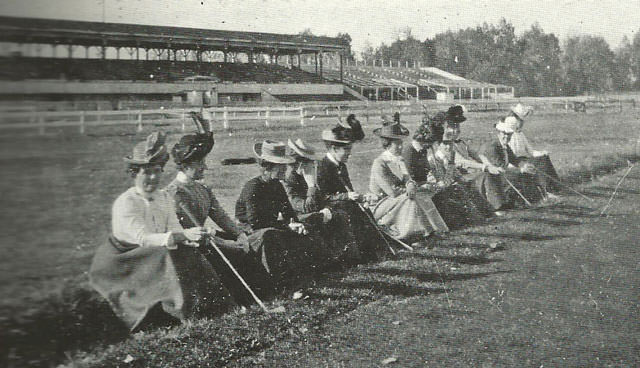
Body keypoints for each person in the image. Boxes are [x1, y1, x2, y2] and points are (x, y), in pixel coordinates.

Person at [89, 132, 235, 331]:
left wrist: (194, 237)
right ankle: (183, 315)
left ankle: (218, 309)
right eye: (146, 172)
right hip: (124, 260)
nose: (153, 177)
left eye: (157, 171)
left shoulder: (164, 197)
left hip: (152, 256)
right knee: (169, 254)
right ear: (134, 174)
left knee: (188, 251)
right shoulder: (126, 202)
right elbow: (144, 239)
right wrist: (184, 235)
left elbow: (174, 228)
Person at [167, 112, 273, 305]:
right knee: (233, 254)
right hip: (193, 246)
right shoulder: (174, 194)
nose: (204, 167)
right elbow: (191, 233)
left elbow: (221, 216)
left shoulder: (203, 188)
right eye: (200, 163)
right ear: (186, 165)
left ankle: (264, 293)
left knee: (246, 246)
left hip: (209, 239)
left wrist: (239, 235)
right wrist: (230, 244)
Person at [235, 140, 318, 284]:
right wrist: (286, 226)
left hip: (271, 226)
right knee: (270, 235)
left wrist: (297, 224)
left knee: (307, 226)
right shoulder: (252, 187)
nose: (284, 170)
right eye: (280, 167)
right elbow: (255, 222)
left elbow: (288, 213)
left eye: (284, 167)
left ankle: (310, 272)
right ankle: (278, 281)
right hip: (251, 232)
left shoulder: (277, 186)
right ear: (268, 167)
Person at [316, 114, 392, 263]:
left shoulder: (341, 166)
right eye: (347, 150)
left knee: (363, 210)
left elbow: (349, 190)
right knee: (354, 214)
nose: (350, 154)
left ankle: (375, 252)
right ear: (334, 148)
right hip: (329, 210)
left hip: (344, 205)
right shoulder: (322, 167)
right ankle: (360, 256)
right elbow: (322, 197)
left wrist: (362, 197)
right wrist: (346, 197)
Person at [404, 106, 491, 229]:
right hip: (423, 190)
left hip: (436, 186)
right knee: (452, 194)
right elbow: (412, 178)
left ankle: (480, 215)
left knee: (458, 190)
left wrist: (448, 168)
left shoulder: (427, 151)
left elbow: (443, 177)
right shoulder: (414, 152)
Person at [369, 115, 449, 243]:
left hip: (398, 200)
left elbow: (408, 178)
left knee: (419, 196)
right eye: (397, 144)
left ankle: (436, 230)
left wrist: (411, 184)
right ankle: (412, 235)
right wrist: (411, 188)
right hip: (381, 204)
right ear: (387, 145)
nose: (400, 147)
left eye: (401, 143)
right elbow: (392, 192)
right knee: (412, 198)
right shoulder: (379, 163)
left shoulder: (399, 160)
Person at [476, 119, 543, 214]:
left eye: (509, 134)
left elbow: (514, 159)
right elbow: (499, 167)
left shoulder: (504, 145)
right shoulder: (492, 146)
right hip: (491, 177)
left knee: (527, 172)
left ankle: (533, 199)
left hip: (501, 174)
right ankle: (503, 205)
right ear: (499, 133)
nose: (507, 137)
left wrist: (523, 165)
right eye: (504, 134)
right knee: (519, 176)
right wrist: (520, 170)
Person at [506, 104, 561, 197]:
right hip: (515, 162)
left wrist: (541, 153)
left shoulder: (520, 134)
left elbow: (530, 151)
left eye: (521, 121)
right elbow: (509, 157)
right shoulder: (508, 136)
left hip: (524, 159)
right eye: (520, 121)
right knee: (540, 162)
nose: (521, 124)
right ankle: (547, 190)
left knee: (544, 158)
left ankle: (553, 187)